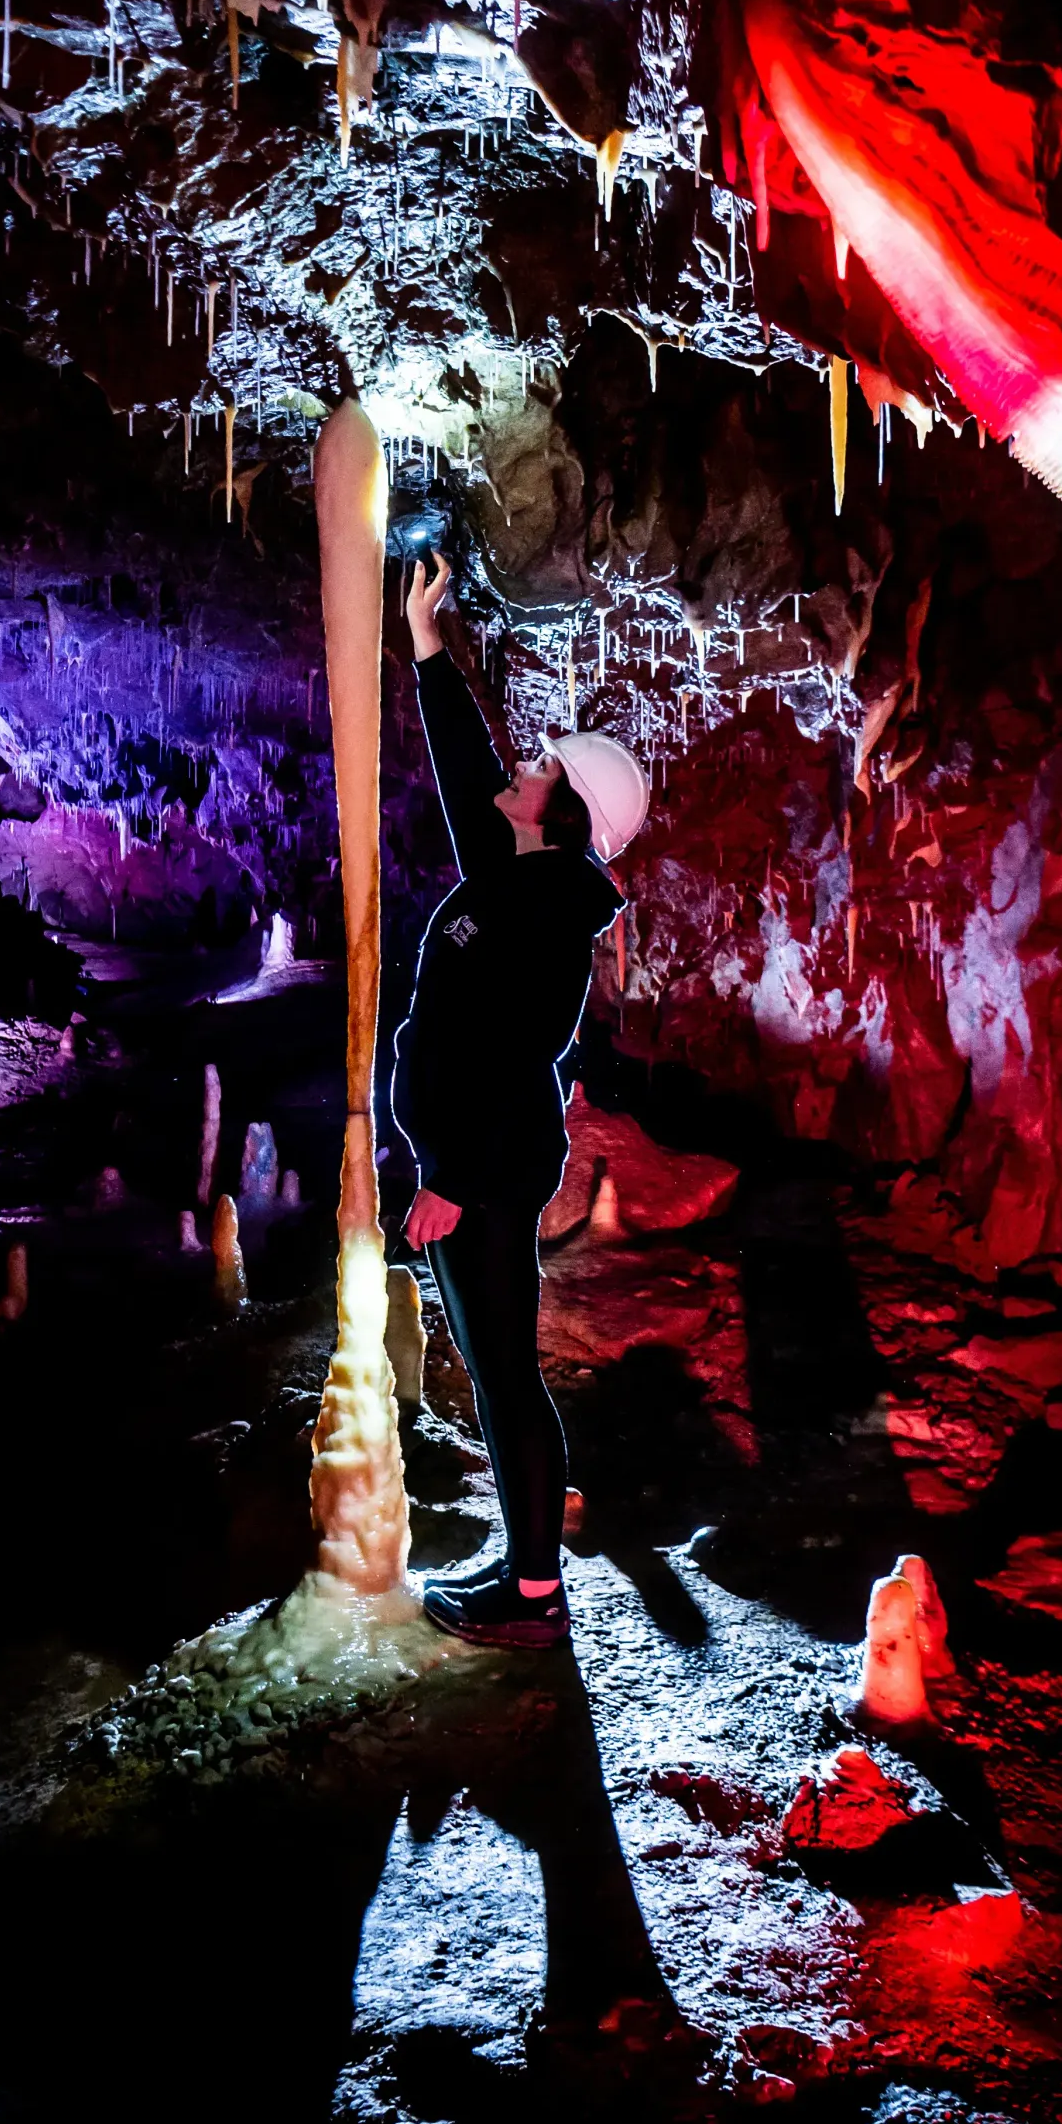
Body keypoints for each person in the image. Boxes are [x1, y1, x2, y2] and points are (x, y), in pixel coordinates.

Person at [394, 551, 650, 1649]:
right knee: (498, 1371)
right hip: (478, 1165)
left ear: (566, 813)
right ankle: (526, 1568)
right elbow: (467, 772)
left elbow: (509, 1053)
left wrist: (450, 1177)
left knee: (505, 1375)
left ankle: (535, 1592)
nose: (520, 765)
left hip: (488, 1173)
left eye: (540, 766)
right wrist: (427, 644)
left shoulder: (542, 917)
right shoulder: (521, 880)